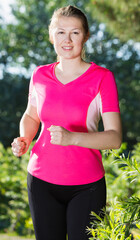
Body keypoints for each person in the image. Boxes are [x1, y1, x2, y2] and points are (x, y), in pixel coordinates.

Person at [11, 5, 122, 240]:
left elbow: (114, 138)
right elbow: (32, 116)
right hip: (41, 181)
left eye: (75, 32)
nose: (67, 39)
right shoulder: (39, 75)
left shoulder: (102, 78)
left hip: (87, 186)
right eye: (61, 32)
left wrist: (73, 138)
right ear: (52, 36)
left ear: (86, 36)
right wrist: (24, 138)